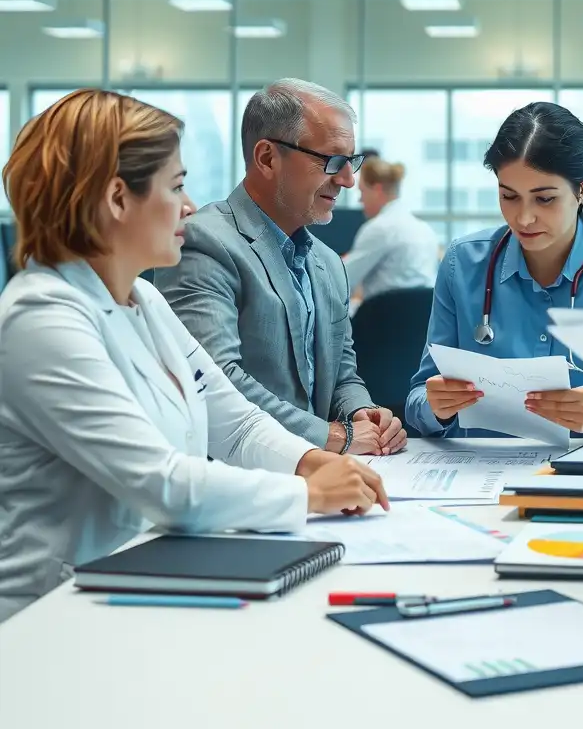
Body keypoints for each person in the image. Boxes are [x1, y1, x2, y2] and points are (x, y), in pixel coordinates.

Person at [0, 91, 388, 622]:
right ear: (117, 198)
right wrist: (306, 492)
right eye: (176, 186)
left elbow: (236, 425)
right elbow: (160, 482)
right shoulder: (42, 320)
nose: (189, 206)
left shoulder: (145, 300)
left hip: (139, 580)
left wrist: (311, 459)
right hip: (48, 616)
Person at [155, 79, 406, 458]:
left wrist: (362, 414)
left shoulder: (326, 263)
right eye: (332, 162)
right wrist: (332, 436)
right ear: (268, 158)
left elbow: (342, 375)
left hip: (319, 478)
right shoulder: (204, 243)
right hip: (238, 478)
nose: (348, 180)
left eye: (351, 162)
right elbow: (216, 381)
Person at [405, 101, 583, 439]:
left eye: (544, 199)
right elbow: (417, 400)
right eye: (508, 196)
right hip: (480, 479)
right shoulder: (462, 262)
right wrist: (435, 407)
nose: (523, 218)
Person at [343, 155, 439, 303]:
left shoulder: (378, 228)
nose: (360, 200)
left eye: (362, 192)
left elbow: (342, 282)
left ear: (377, 189)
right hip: (420, 322)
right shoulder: (425, 229)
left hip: (381, 321)